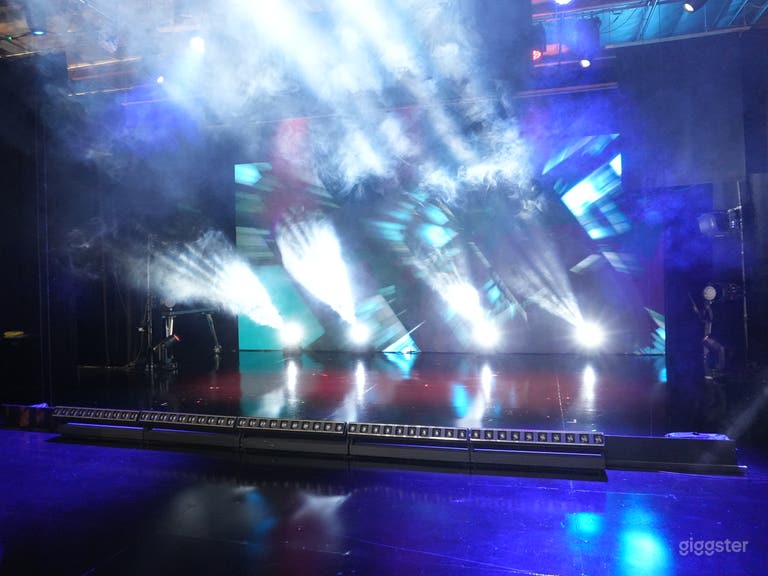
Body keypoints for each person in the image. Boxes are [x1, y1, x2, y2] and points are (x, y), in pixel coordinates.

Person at [691, 294, 725, 372]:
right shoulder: (702, 318)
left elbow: (710, 317)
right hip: (704, 339)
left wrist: (708, 308)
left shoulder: (707, 318)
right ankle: (717, 369)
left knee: (714, 351)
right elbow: (701, 316)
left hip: (706, 338)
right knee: (719, 349)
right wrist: (704, 309)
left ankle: (714, 369)